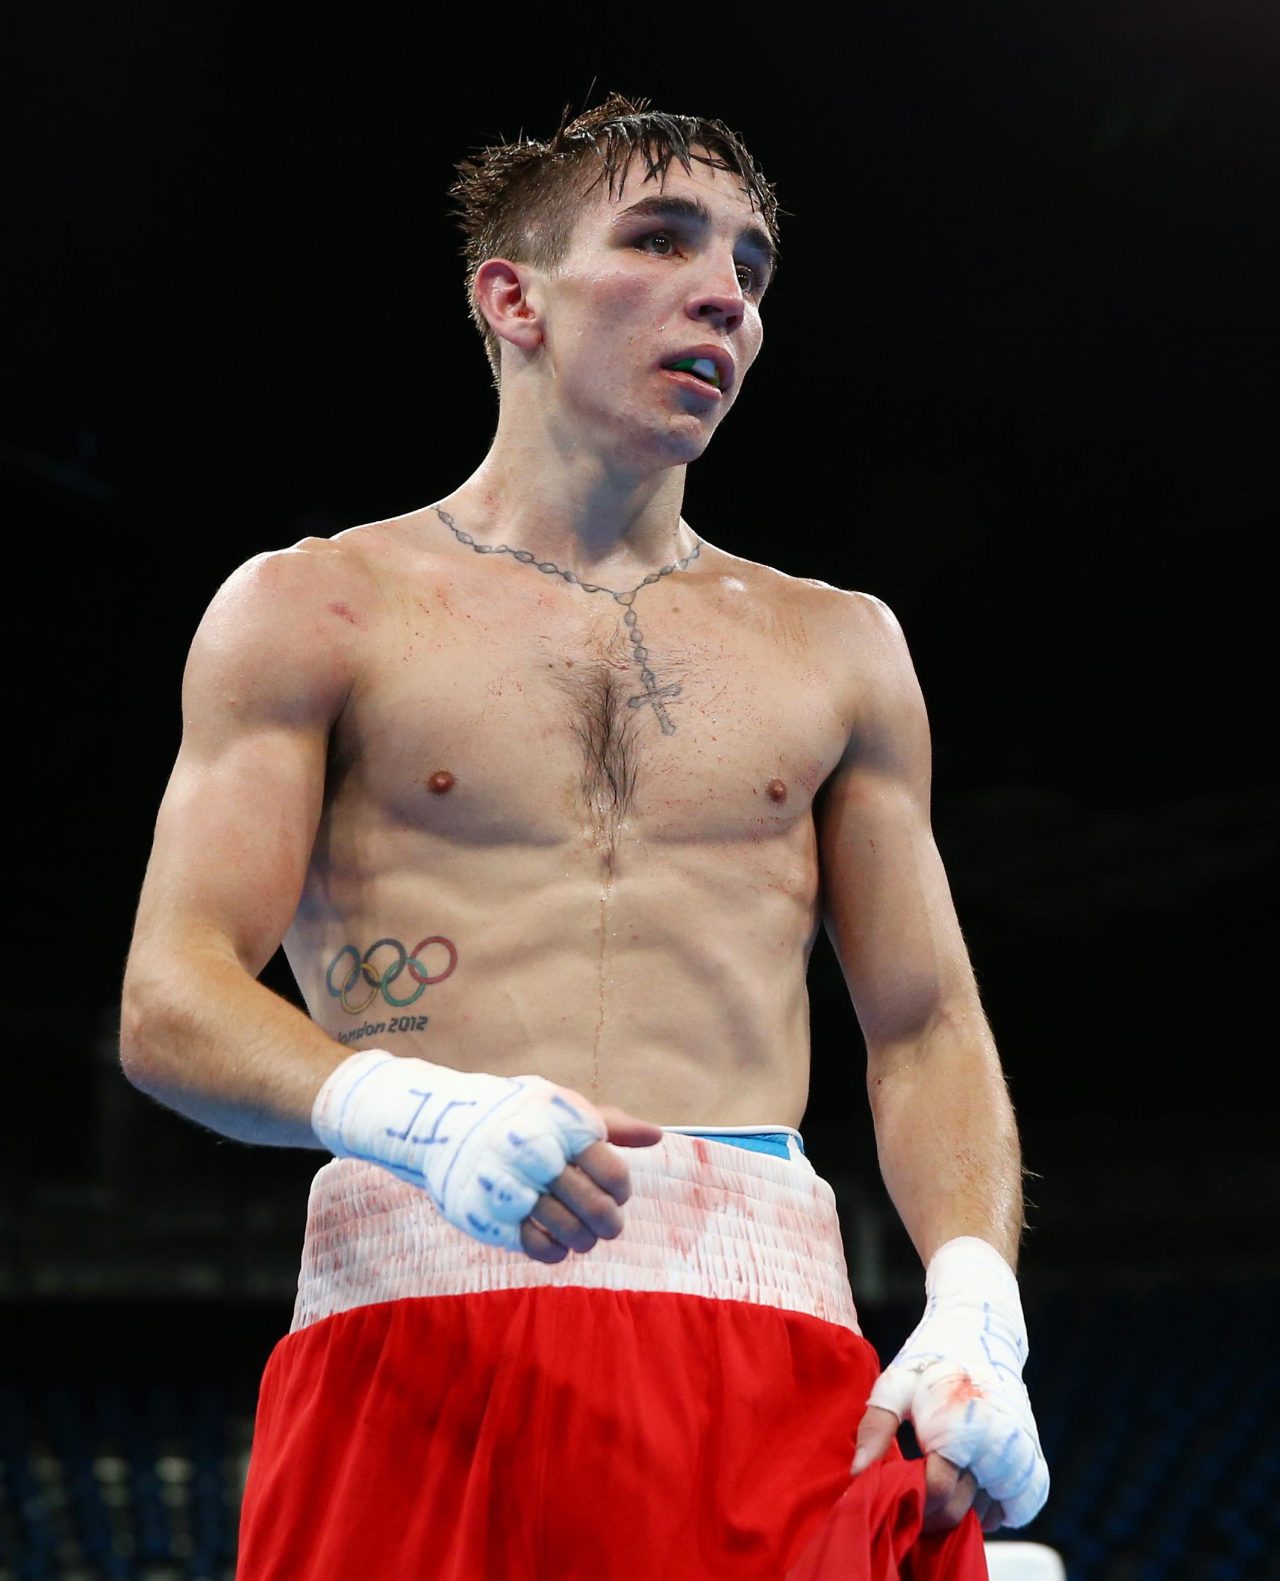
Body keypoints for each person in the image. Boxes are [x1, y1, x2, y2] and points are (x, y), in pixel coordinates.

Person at [120, 93, 1048, 1579]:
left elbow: (928, 1025)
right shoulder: (317, 607)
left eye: (750, 266)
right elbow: (173, 1001)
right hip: (417, 1332)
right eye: (663, 239)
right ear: (514, 300)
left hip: (771, 1345)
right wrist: (414, 1115)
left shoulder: (841, 647)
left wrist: (977, 1302)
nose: (725, 295)